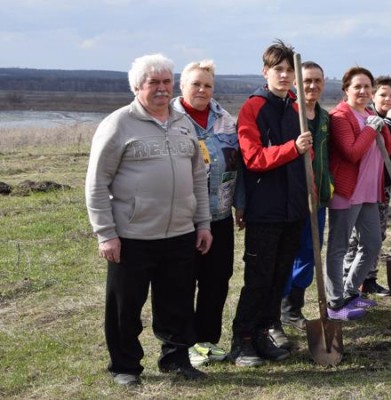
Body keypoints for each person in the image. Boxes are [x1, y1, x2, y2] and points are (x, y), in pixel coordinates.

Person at [85, 53, 212, 385]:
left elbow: (198, 177)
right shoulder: (118, 124)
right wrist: (105, 234)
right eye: (153, 82)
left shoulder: (183, 124)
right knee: (125, 307)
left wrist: (203, 223)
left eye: (167, 81)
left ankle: (175, 359)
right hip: (132, 235)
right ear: (137, 86)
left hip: (181, 234)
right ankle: (125, 366)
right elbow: (96, 183)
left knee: (178, 303)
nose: (161, 88)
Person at [229, 40, 313, 367]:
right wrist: (293, 147)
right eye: (278, 69)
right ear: (266, 71)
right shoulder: (254, 107)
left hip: (293, 208)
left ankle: (264, 333)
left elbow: (305, 159)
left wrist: (311, 191)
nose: (284, 75)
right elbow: (252, 158)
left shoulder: (296, 107)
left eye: (290, 70)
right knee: (259, 277)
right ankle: (242, 340)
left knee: (280, 277)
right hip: (265, 209)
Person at [170, 60, 242, 368]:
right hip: (182, 218)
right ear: (181, 86)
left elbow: (239, 164)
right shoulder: (169, 119)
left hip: (220, 215)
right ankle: (183, 345)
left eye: (208, 85)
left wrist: (241, 205)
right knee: (183, 282)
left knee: (217, 280)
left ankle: (207, 342)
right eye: (196, 84)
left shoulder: (225, 120)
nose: (202, 90)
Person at [325, 66, 391, 321]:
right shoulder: (340, 116)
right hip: (347, 192)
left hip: (369, 191)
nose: (363, 91)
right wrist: (371, 129)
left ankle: (351, 291)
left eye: (367, 86)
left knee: (373, 243)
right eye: (358, 86)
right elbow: (351, 152)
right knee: (338, 247)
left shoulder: (368, 113)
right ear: (346, 89)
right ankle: (334, 304)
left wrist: (381, 125)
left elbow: (387, 147)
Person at [343, 75, 391, 297]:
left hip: (383, 186)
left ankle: (370, 278)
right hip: (364, 186)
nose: (387, 99)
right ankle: (348, 280)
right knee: (357, 238)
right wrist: (388, 122)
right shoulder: (369, 117)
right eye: (382, 94)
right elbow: (376, 142)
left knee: (378, 235)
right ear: (373, 95)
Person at [281, 61, 333, 331]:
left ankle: (292, 308)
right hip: (291, 198)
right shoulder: (288, 114)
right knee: (287, 253)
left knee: (310, 252)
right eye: (306, 81)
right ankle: (278, 306)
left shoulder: (324, 117)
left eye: (317, 81)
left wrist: (329, 187)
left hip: (318, 198)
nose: (312, 86)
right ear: (295, 84)